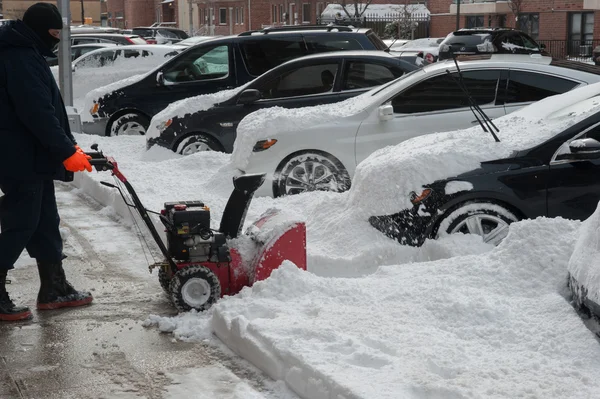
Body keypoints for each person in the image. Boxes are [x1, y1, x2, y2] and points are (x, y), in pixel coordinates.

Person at [0, 3, 94, 321]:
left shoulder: (26, 51)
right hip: (19, 158)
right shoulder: (19, 57)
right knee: (21, 224)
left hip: (33, 157)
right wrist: (66, 151)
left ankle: (54, 287)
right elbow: (36, 112)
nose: (55, 40)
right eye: (53, 33)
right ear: (40, 30)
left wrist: (66, 147)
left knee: (44, 222)